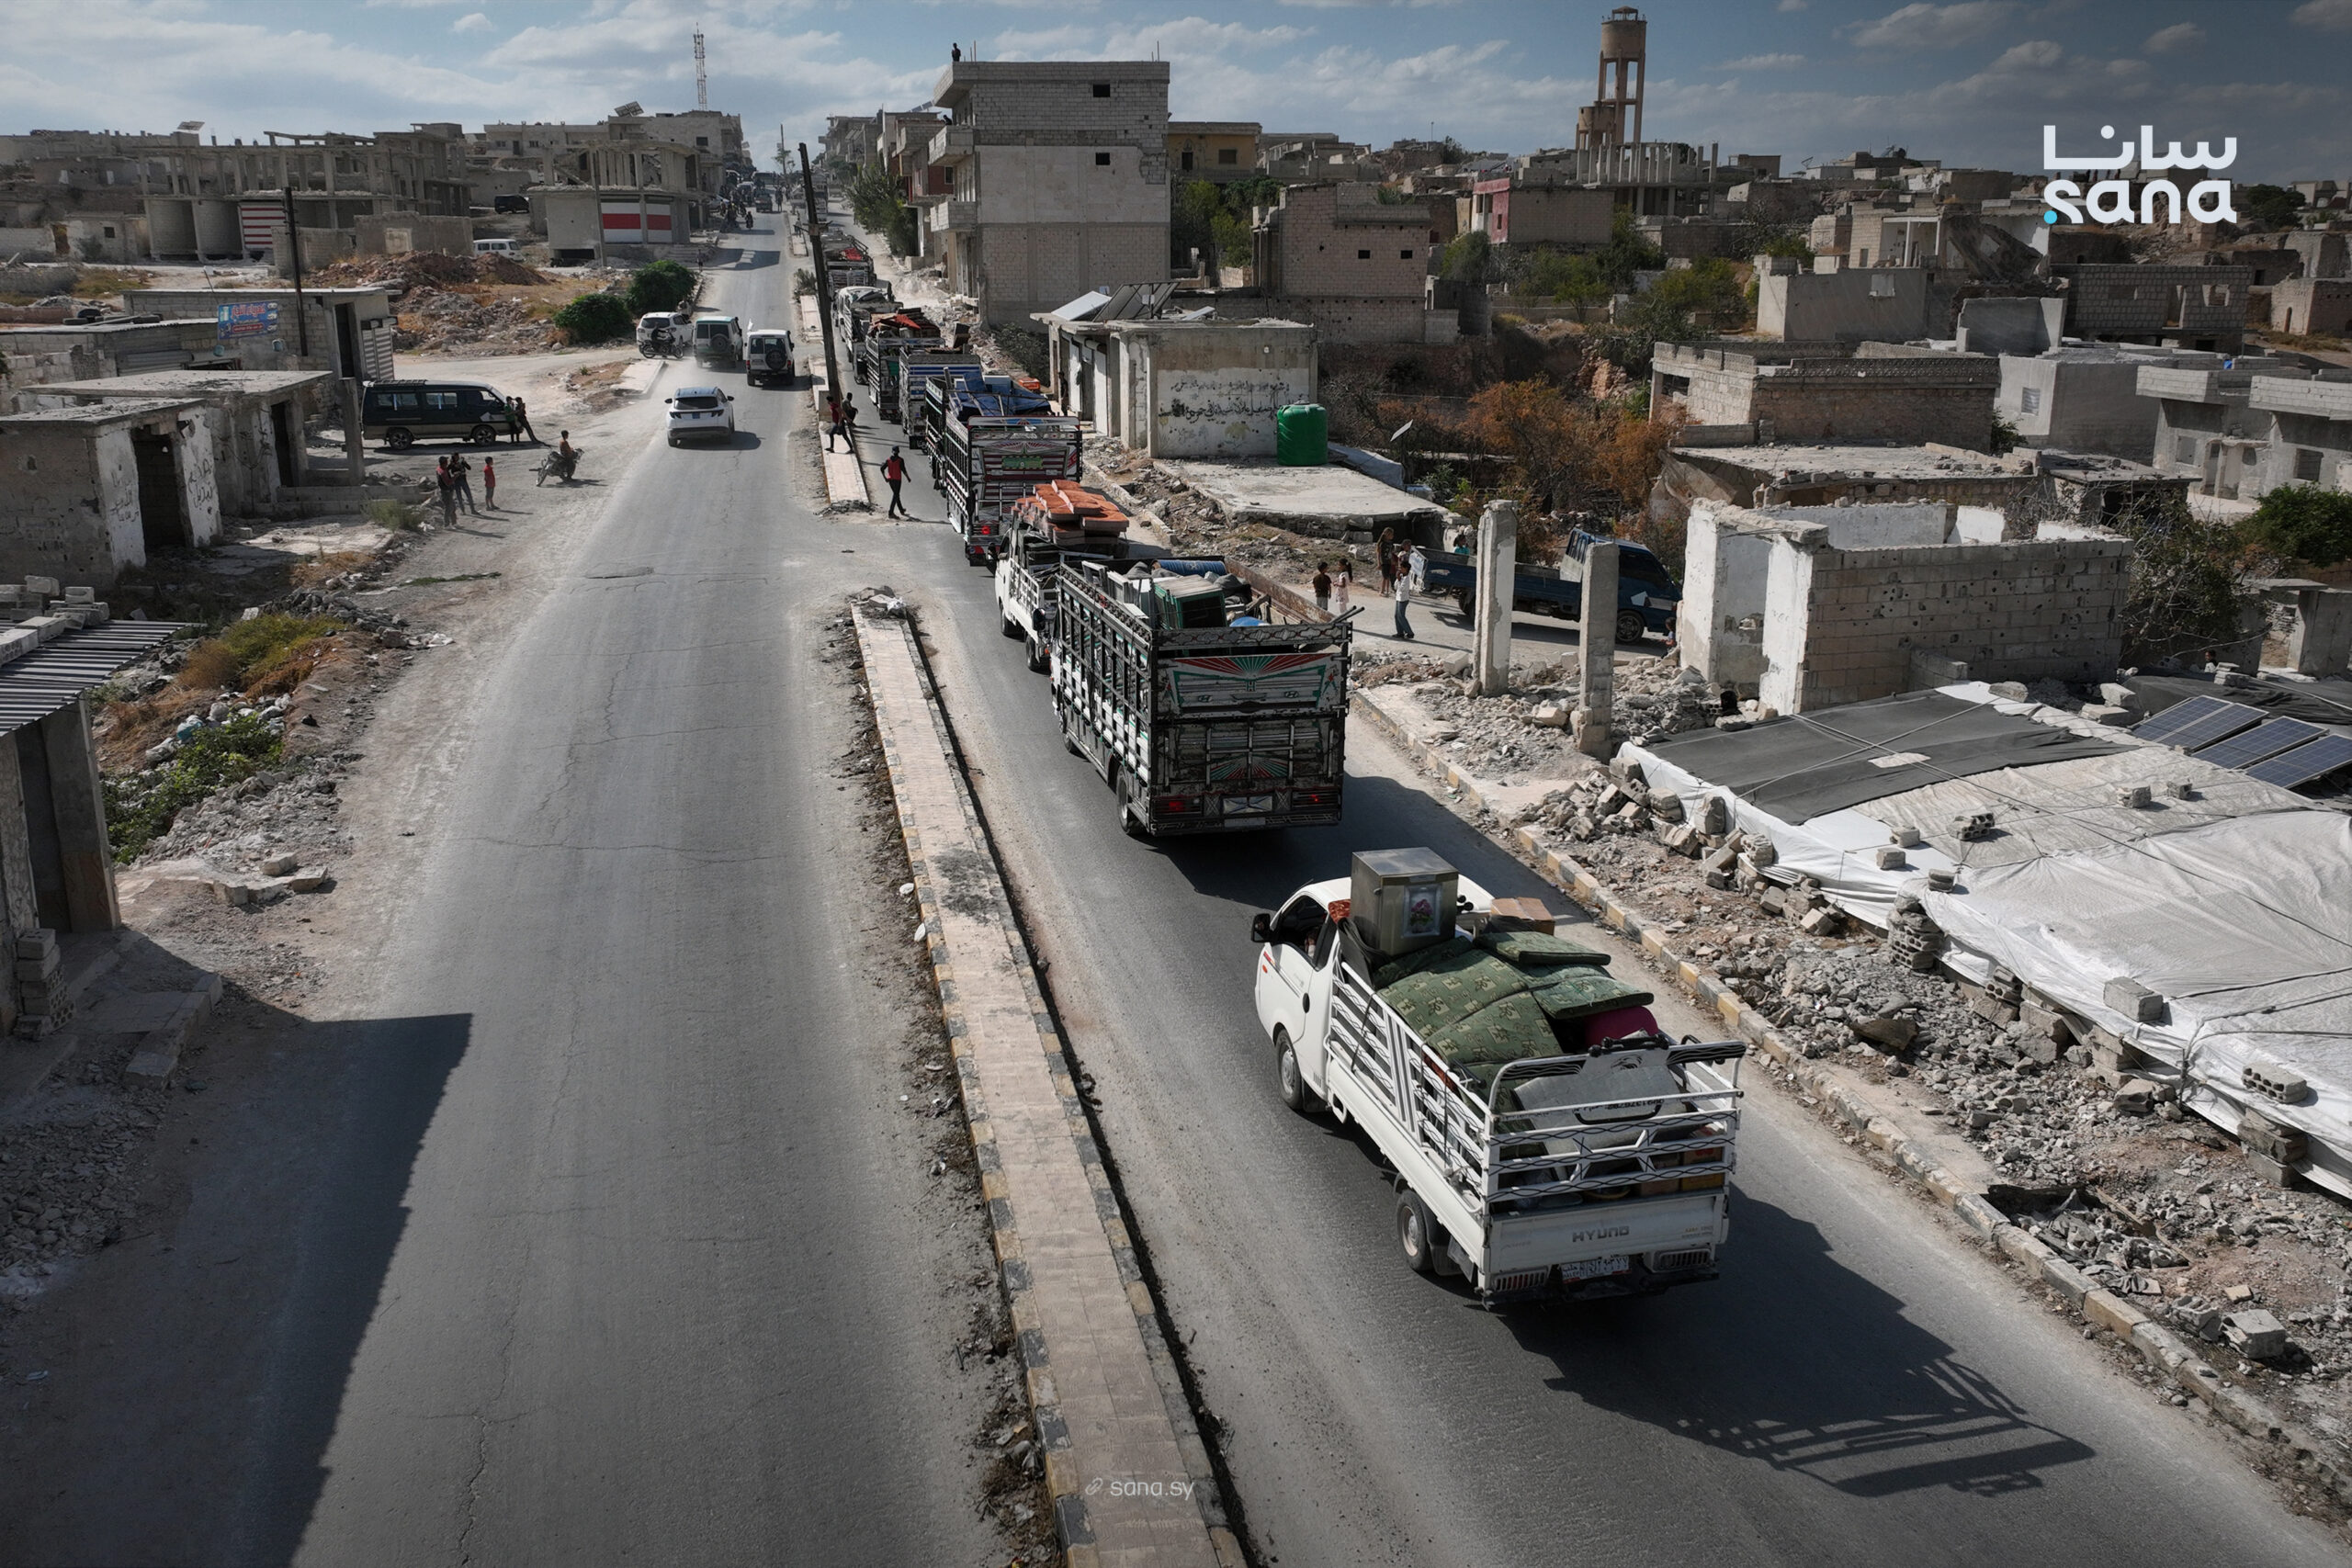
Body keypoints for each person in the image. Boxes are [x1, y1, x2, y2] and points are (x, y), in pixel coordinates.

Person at [880, 446, 909, 518]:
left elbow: (882, 468)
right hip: (897, 480)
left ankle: (901, 510)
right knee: (896, 495)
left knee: (896, 494)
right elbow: (903, 470)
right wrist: (908, 477)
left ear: (892, 452)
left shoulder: (888, 460)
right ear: (898, 452)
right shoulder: (900, 460)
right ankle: (891, 512)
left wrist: (885, 478)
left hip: (890, 480)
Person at [450, 451, 478, 515]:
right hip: (456, 481)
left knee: (469, 495)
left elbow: (469, 468)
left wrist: (464, 463)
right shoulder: (452, 464)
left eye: (457, 456)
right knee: (459, 497)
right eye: (455, 457)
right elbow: (449, 470)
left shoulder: (462, 462)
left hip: (463, 480)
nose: (457, 458)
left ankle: (473, 510)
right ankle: (463, 511)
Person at [1391, 568, 1414, 640]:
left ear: (1406, 569)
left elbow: (1402, 589)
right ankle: (1400, 633)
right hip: (1398, 598)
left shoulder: (1407, 578)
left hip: (1403, 599)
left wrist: (1399, 580)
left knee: (1401, 616)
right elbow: (1395, 586)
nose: (1400, 569)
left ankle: (1410, 633)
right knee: (1396, 616)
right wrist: (1398, 579)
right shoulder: (1401, 576)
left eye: (1402, 568)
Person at [434, 457, 457, 527]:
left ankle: (454, 523)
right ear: (444, 463)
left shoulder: (440, 469)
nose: (447, 463)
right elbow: (448, 483)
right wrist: (455, 476)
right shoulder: (442, 472)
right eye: (446, 462)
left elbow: (446, 469)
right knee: (449, 508)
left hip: (446, 491)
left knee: (452, 507)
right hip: (446, 492)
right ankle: (447, 524)